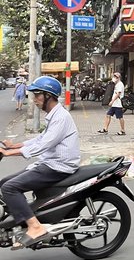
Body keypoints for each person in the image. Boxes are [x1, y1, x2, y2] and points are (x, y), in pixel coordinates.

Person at [0, 76, 80, 250]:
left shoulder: (61, 117)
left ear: (49, 96)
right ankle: (18, 221)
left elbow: (44, 145)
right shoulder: (54, 115)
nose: (34, 99)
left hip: (58, 167)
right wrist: (15, 145)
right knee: (3, 183)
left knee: (9, 188)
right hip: (49, 163)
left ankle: (35, 226)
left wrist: (8, 153)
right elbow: (41, 138)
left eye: (37, 95)